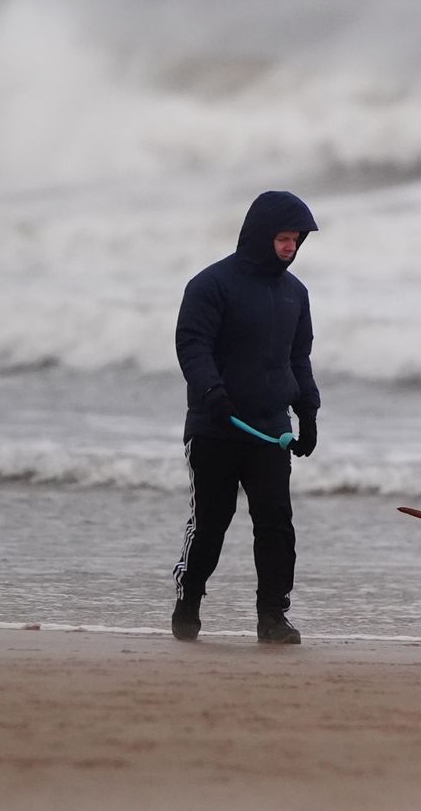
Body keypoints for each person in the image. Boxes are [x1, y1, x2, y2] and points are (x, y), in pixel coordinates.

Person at [170, 190, 321, 643]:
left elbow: (299, 357)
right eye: (282, 238)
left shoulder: (296, 293)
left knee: (276, 524)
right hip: (215, 426)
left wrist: (308, 411)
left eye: (296, 239)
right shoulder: (210, 284)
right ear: (260, 236)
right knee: (210, 523)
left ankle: (273, 615)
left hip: (270, 429)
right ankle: (189, 597)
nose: (290, 247)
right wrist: (212, 393)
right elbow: (192, 345)